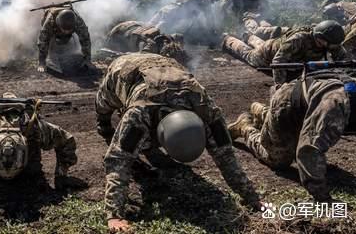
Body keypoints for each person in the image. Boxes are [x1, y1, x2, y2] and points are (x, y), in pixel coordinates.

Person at [95, 53, 261, 232]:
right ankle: (103, 126)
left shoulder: (207, 110)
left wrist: (252, 198)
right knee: (103, 108)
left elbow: (226, 156)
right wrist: (114, 215)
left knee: (143, 143)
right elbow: (118, 160)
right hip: (125, 68)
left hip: (169, 67)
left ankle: (145, 141)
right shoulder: (140, 114)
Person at [229, 72, 356, 203]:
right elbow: (308, 151)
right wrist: (323, 198)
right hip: (287, 108)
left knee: (307, 128)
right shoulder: (334, 109)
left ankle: (262, 112)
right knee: (278, 160)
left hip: (310, 104)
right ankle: (244, 127)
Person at [222, 20, 347, 84]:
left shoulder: (329, 42)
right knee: (248, 55)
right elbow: (278, 62)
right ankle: (228, 40)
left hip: (278, 46)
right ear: (321, 38)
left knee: (260, 44)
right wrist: (280, 86)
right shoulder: (300, 39)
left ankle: (249, 37)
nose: (334, 47)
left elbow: (342, 58)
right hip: (268, 54)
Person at [147, 0, 221, 44]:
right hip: (172, 13)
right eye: (213, 1)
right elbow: (209, 18)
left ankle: (142, 39)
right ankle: (146, 45)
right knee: (155, 31)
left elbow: (209, 19)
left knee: (148, 27)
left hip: (166, 9)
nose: (212, 3)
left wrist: (212, 31)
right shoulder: (201, 0)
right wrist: (212, 32)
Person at [37, 6, 92, 73]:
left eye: (69, 30)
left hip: (67, 32)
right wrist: (41, 63)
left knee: (68, 45)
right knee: (51, 47)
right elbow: (43, 42)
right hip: (55, 32)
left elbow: (85, 39)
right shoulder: (49, 23)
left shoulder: (78, 22)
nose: (66, 32)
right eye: (65, 30)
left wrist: (87, 59)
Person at [104, 21, 186, 63]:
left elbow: (179, 36)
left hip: (135, 23)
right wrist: (114, 53)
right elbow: (130, 56)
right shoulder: (150, 48)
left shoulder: (168, 39)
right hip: (117, 32)